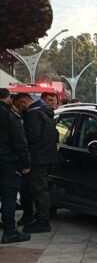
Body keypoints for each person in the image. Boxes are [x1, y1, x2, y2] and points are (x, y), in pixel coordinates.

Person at [13, 92, 58, 234]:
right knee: (40, 189)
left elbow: (31, 137)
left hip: (38, 158)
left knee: (39, 190)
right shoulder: (45, 112)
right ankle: (39, 218)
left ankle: (43, 222)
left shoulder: (32, 115)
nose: (19, 110)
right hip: (47, 157)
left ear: (23, 102)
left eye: (18, 106)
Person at [0, 89, 31, 244]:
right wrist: (26, 163)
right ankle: (10, 232)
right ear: (8, 99)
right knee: (9, 198)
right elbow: (20, 142)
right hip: (7, 163)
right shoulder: (9, 116)